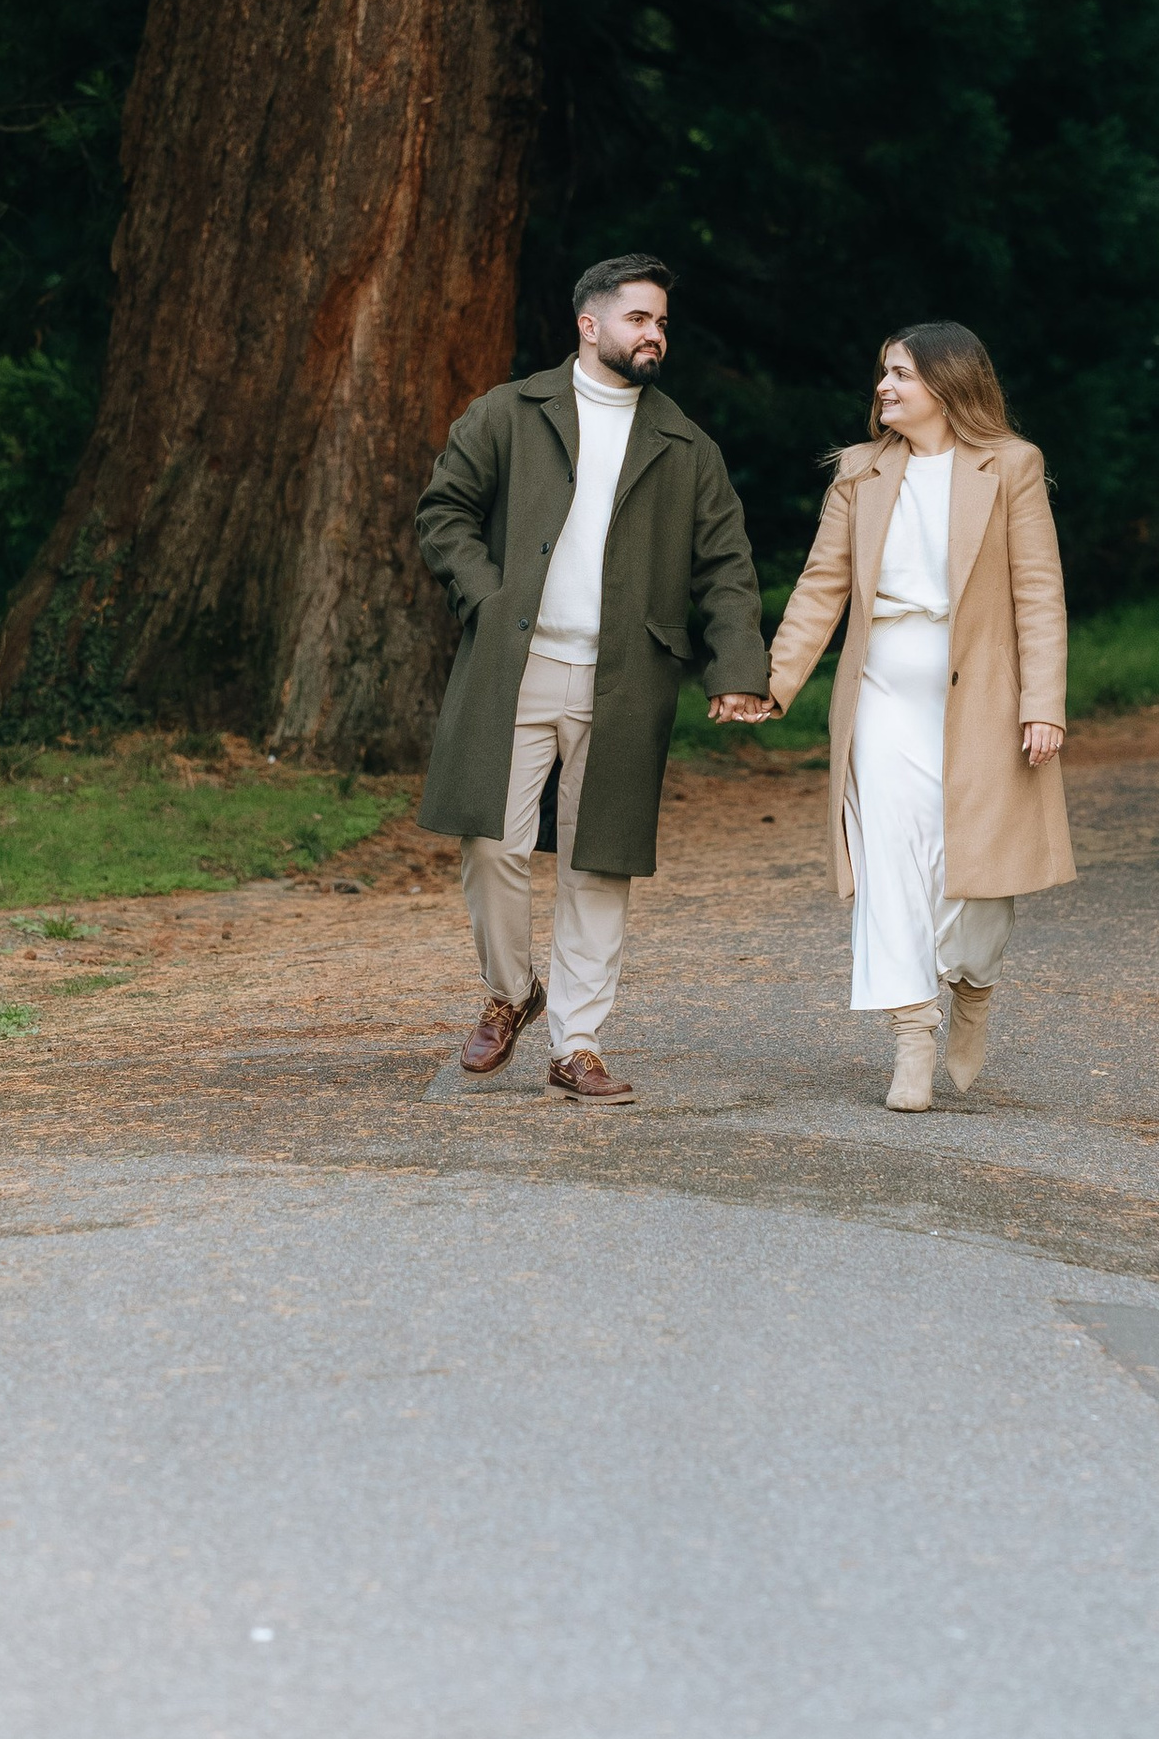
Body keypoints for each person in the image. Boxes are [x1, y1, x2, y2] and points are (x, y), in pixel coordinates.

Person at [415, 254, 773, 1101]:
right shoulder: (509, 412)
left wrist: (736, 668)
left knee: (598, 861)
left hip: (628, 677)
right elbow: (445, 512)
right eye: (638, 319)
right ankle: (511, 992)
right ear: (589, 323)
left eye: (661, 323)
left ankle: (577, 1044)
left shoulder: (685, 445)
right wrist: (489, 599)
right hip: (517, 665)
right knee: (491, 844)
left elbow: (726, 567)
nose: (655, 335)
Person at [757, 323, 1073, 1110]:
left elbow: (1038, 592)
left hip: (984, 699)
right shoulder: (859, 473)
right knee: (891, 865)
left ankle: (974, 985)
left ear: (947, 382)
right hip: (882, 699)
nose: (884, 387)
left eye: (900, 374)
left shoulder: (1012, 466)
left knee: (979, 877)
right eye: (883, 374)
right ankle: (912, 1036)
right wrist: (773, 682)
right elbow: (821, 587)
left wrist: (1043, 703)